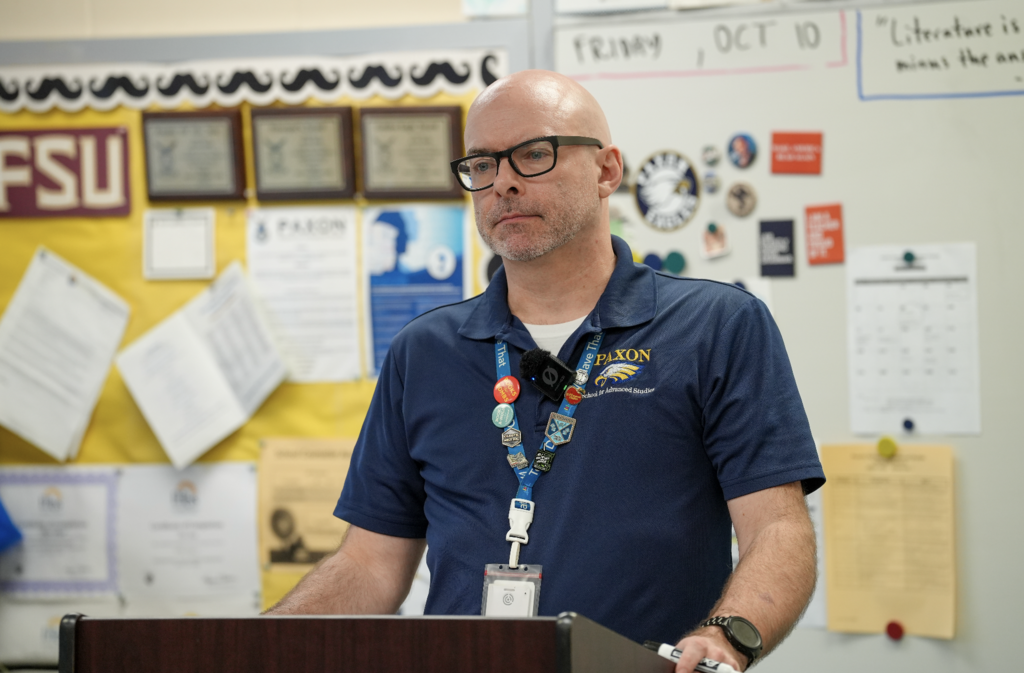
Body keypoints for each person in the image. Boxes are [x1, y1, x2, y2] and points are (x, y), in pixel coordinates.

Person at [266, 70, 824, 673]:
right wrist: (260, 642)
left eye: (533, 154)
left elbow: (778, 530)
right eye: (481, 164)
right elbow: (370, 565)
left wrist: (724, 638)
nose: (502, 182)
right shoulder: (422, 351)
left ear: (607, 171)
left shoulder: (718, 326)